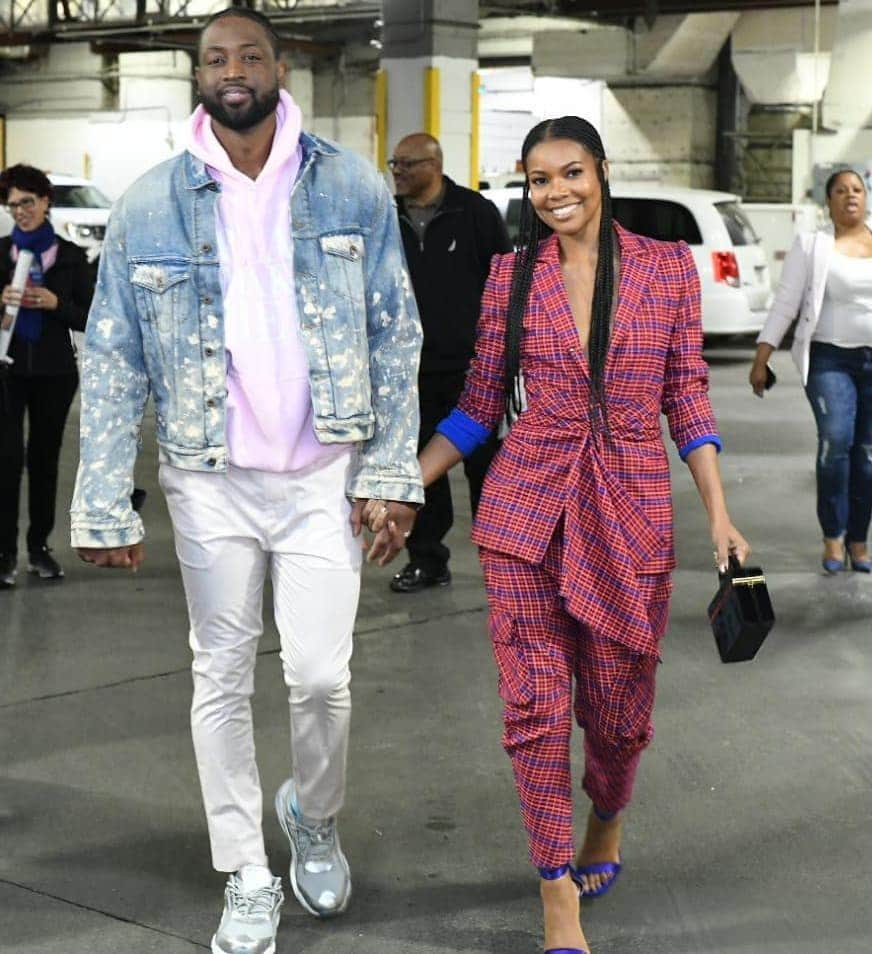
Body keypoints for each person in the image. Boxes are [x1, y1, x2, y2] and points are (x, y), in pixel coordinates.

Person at [69, 9, 422, 954]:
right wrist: (104, 499)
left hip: (322, 475)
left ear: (279, 66)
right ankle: (246, 871)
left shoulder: (350, 187)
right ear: (198, 74)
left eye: (250, 54)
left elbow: (396, 333)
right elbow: (111, 358)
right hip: (207, 476)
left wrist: (390, 470)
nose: (233, 70)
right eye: (215, 57)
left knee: (319, 677)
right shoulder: (149, 203)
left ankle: (312, 810)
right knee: (219, 675)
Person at [369, 116, 750, 954]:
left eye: (570, 174)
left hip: (630, 514)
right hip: (525, 514)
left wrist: (717, 510)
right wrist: (399, 485)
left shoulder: (664, 270)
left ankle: (606, 822)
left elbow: (685, 394)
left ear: (601, 172)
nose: (556, 193)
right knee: (537, 711)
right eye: (539, 181)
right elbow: (476, 408)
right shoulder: (510, 277)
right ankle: (556, 899)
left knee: (618, 716)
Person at [749, 168, 872, 573]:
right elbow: (786, 303)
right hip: (830, 359)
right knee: (836, 441)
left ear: (866, 198)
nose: (850, 196)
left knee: (866, 451)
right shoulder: (813, 245)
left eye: (857, 190)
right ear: (828, 201)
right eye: (840, 191)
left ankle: (859, 539)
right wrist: (762, 356)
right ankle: (833, 536)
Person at [387, 132, 512, 593]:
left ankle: (501, 563)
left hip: (471, 371)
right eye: (393, 164)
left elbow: (504, 285)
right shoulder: (388, 218)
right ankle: (427, 559)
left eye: (406, 164)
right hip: (409, 372)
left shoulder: (474, 213)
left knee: (488, 471)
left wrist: (501, 354)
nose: (396, 172)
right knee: (421, 470)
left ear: (434, 164)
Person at [0, 163, 95, 588]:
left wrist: (58, 304)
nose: (20, 211)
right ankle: (5, 555)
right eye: (13, 204)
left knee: (44, 460)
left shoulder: (72, 258)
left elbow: (92, 317)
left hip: (56, 373)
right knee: (6, 460)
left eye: (28, 202)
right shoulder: (0, 255)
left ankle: (39, 548)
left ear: (45, 202)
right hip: (6, 370)